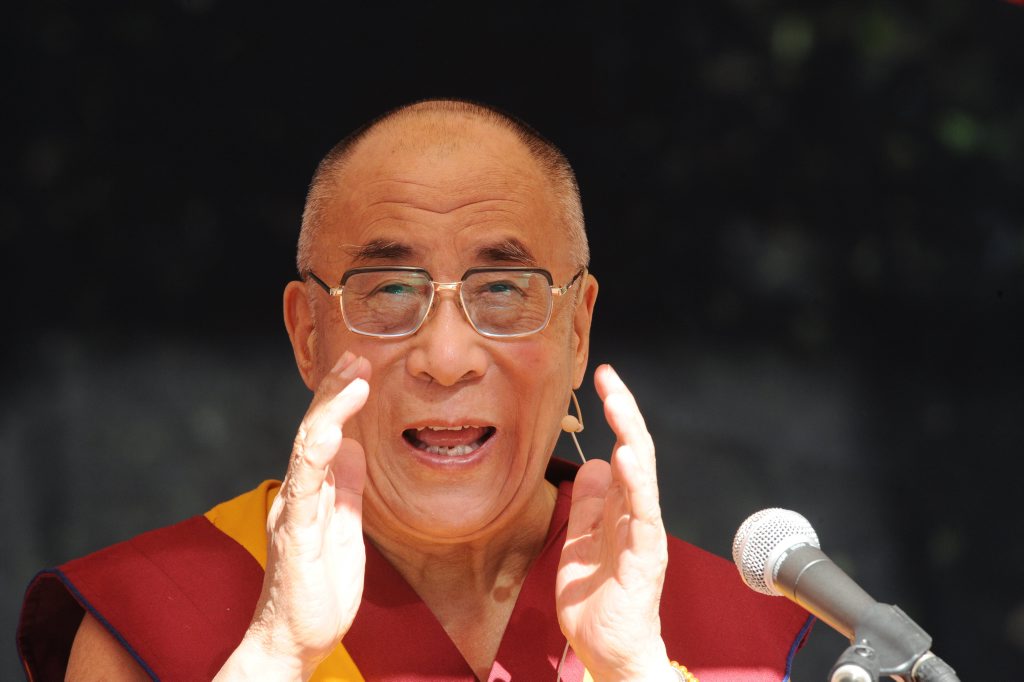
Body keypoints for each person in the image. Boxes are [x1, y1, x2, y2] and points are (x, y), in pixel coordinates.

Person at [18, 99, 813, 681]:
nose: (447, 356)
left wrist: (636, 669)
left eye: (503, 289)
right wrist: (274, 655)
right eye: (390, 289)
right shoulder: (157, 619)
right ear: (307, 334)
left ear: (577, 332)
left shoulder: (713, 627)